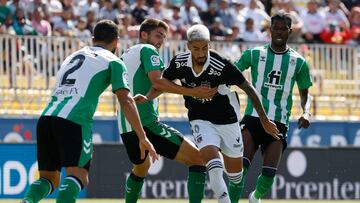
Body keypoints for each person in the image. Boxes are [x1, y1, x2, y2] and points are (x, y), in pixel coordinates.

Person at [20, 20, 157, 203]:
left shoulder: (72, 56)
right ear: (116, 41)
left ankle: (26, 201)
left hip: (47, 117)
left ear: (93, 39)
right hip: (75, 120)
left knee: (49, 179)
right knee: (79, 176)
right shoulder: (114, 61)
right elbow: (125, 100)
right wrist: (142, 136)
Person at [161, 24, 279, 203]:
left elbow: (248, 88)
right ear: (188, 46)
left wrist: (263, 119)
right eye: (196, 48)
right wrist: (146, 98)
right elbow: (163, 82)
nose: (201, 53)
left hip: (228, 120)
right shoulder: (179, 62)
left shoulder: (221, 64)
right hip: (200, 119)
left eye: (205, 47)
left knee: (235, 176)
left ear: (209, 44)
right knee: (214, 167)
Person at [117, 18, 217, 203]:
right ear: (143, 35)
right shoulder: (148, 50)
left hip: (126, 126)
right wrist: (192, 92)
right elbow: (158, 82)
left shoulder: (126, 54)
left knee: (141, 168)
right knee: (198, 159)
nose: (160, 41)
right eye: (157, 35)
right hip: (146, 123)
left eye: (163, 37)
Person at [234, 12, 313, 203]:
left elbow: (305, 94)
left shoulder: (299, 62)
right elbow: (232, 74)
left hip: (279, 123)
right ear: (270, 30)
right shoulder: (254, 54)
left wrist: (306, 112)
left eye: (283, 28)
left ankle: (256, 197)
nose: (278, 32)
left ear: (290, 31)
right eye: (275, 28)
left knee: (268, 175)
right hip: (253, 118)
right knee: (239, 169)